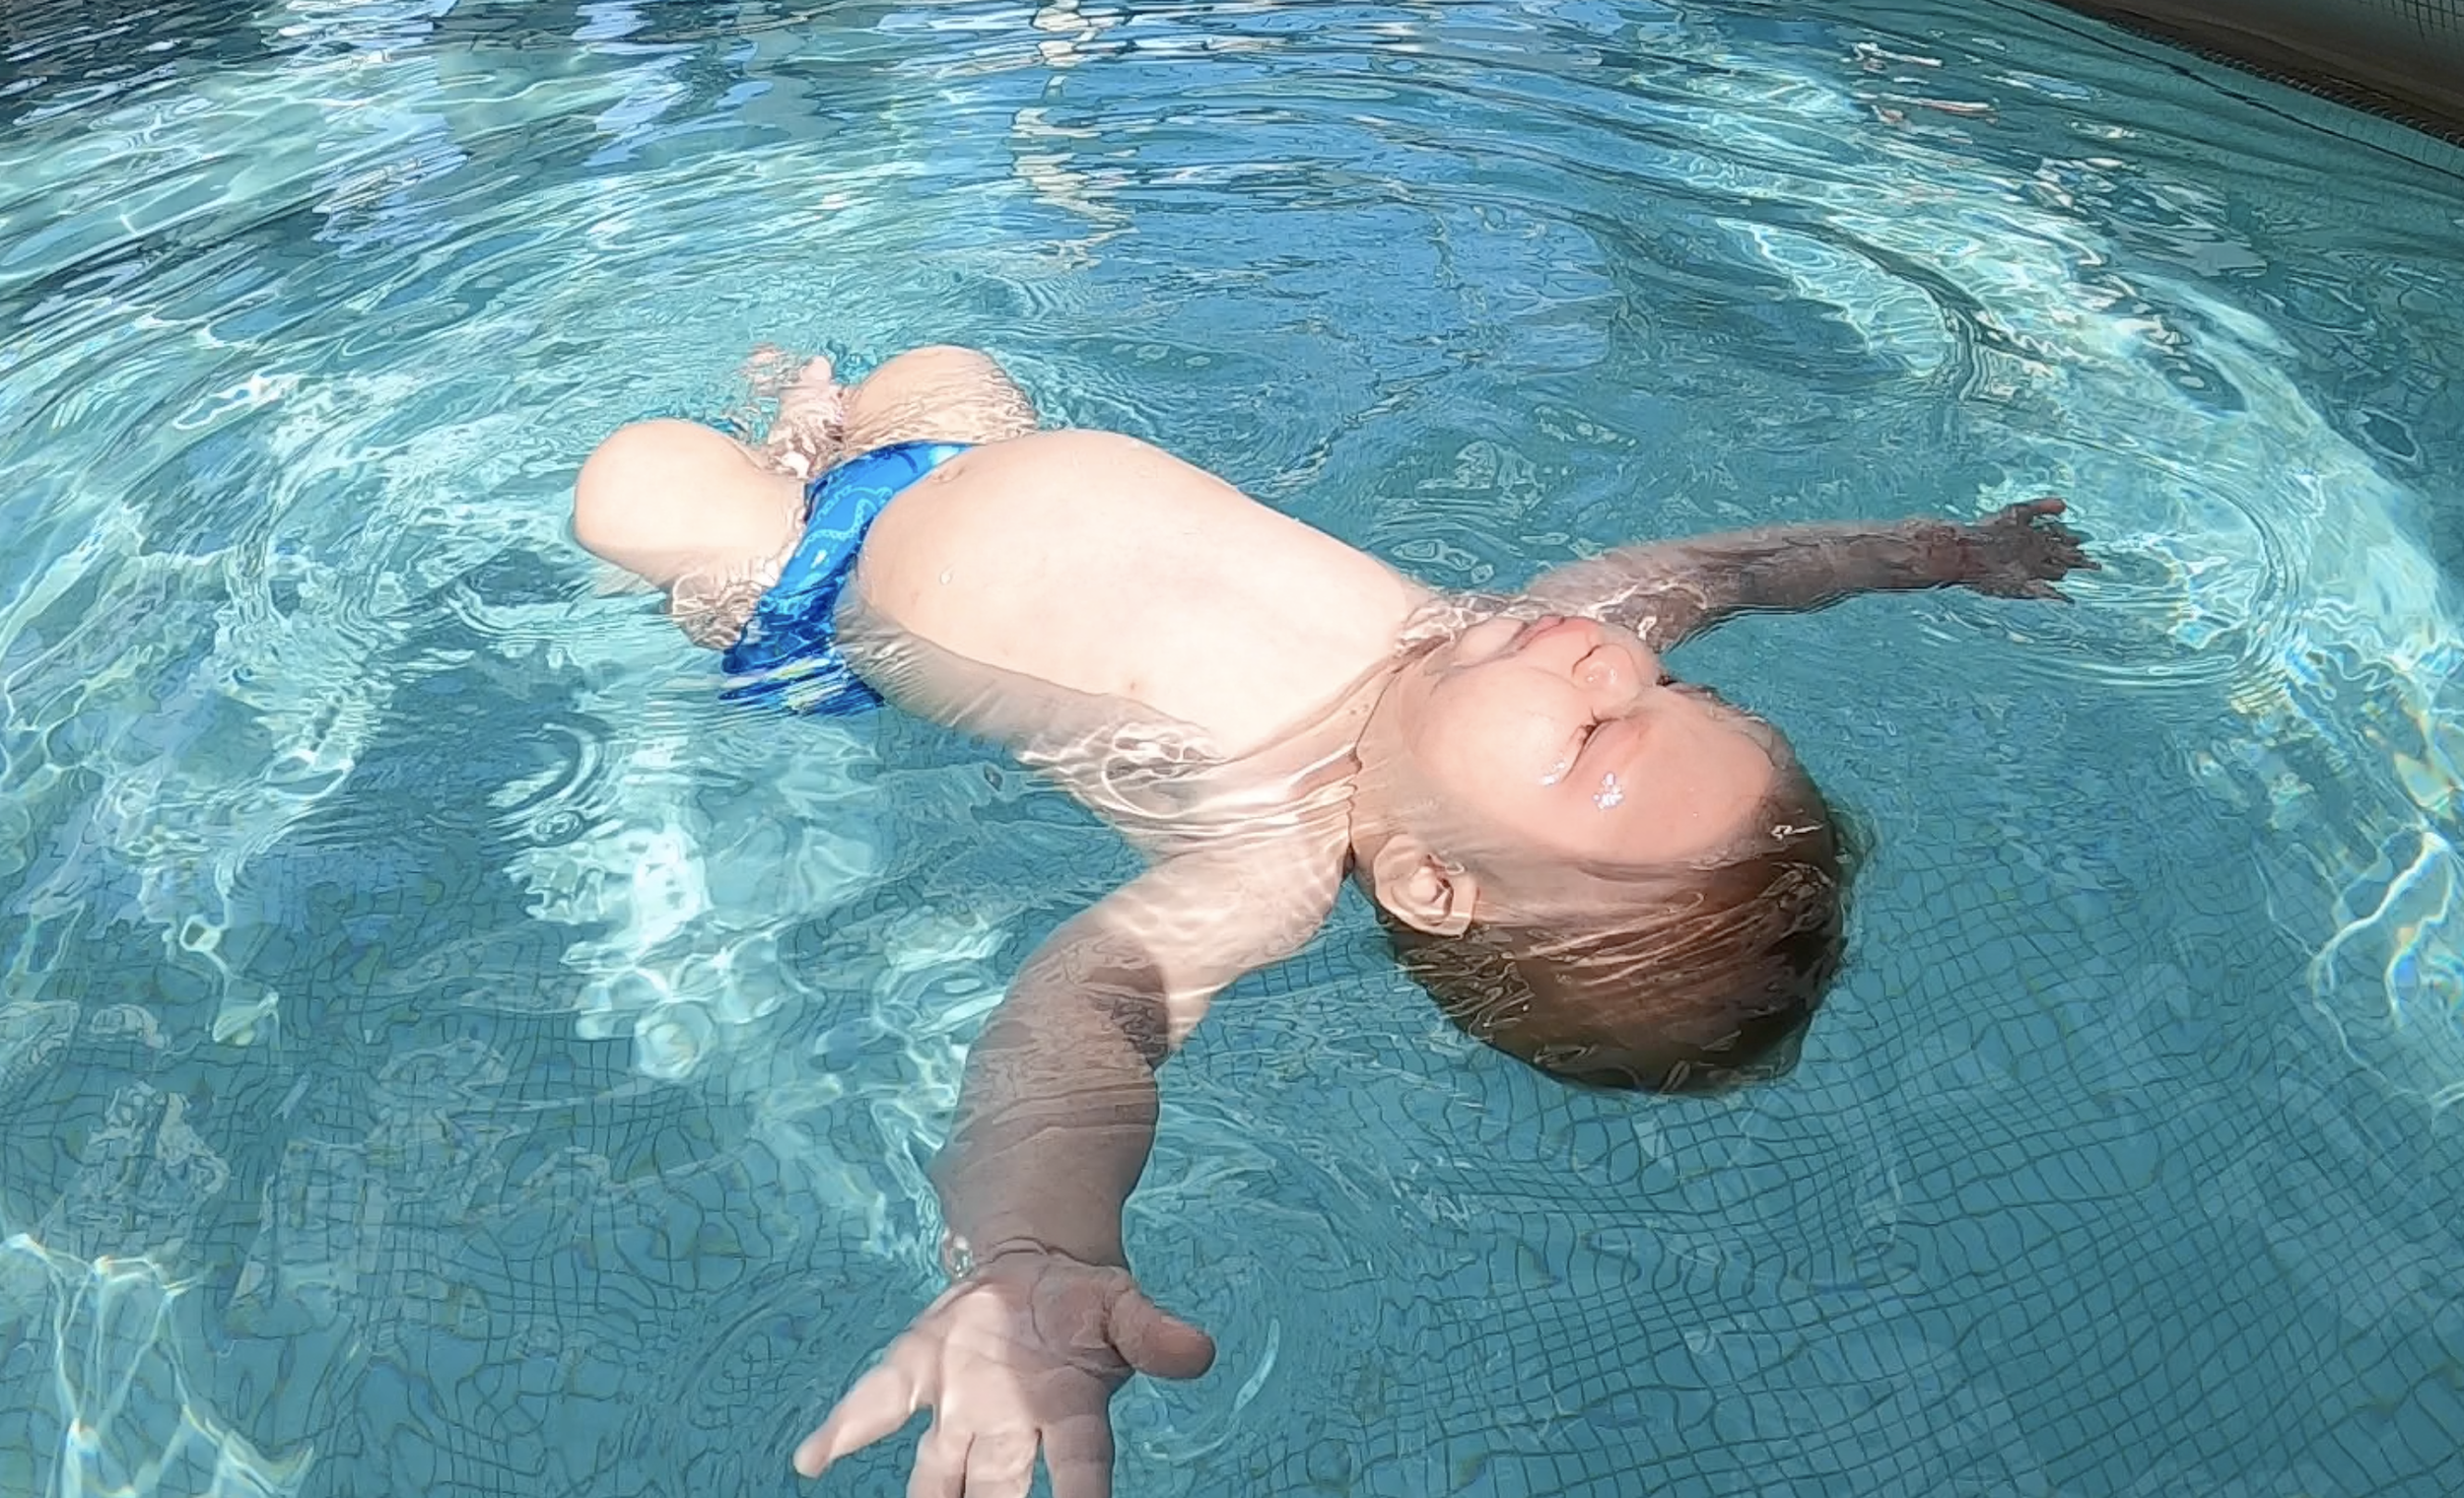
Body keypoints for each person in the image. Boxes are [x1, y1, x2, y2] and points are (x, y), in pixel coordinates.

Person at [572, 344, 2094, 1498]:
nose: (1616, 665)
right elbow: (1718, 574)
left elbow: (1086, 1015)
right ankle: (844, 424)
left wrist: (1036, 1243)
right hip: (980, 449)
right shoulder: (1498, 644)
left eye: (1593, 741)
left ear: (1435, 883)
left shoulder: (1268, 853)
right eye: (1675, 691)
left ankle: (762, 523)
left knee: (632, 481)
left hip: (822, 579)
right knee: (946, 372)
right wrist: (1934, 553)